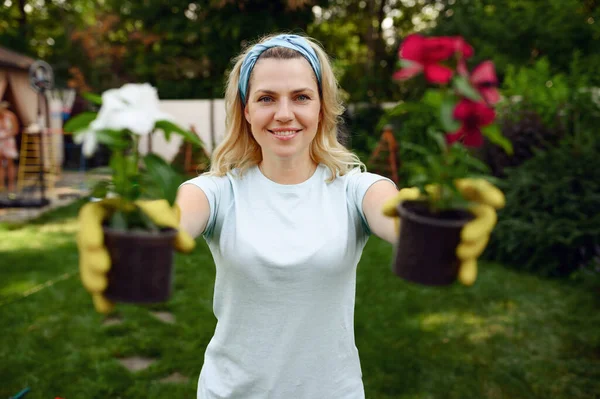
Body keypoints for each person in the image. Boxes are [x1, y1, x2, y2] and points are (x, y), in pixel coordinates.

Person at [77, 33, 504, 398]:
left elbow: (394, 215)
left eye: (301, 96)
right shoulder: (218, 190)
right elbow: (176, 218)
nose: (284, 114)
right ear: (246, 110)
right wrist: (126, 225)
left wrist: (440, 211)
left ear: (322, 107)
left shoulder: (355, 187)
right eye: (266, 98)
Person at [0, 101, 19, 194]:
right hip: (0, 142)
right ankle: (1, 184)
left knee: (9, 163)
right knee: (0, 164)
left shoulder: (11, 116)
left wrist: (6, 135)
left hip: (8, 141)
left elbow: (15, 130)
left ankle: (11, 184)